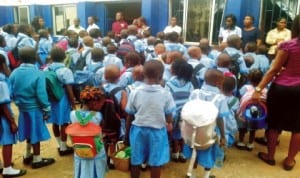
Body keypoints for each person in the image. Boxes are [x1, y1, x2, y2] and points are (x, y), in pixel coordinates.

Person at [252, 14, 300, 171]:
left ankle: (270, 156)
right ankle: (290, 161)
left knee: (274, 124)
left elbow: (273, 70)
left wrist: (258, 89)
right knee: (298, 127)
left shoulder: (288, 46)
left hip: (281, 89)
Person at [125, 60, 175, 178]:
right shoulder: (165, 93)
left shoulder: (134, 92)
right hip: (157, 132)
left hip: (138, 130)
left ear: (143, 75)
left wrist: (127, 136)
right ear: (161, 76)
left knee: (135, 160)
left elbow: (130, 115)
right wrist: (169, 123)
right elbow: (169, 113)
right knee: (156, 162)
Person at [9, 47, 55, 169]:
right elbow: (41, 94)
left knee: (29, 130)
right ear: (35, 58)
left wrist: (19, 102)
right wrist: (46, 109)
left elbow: (11, 91)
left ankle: (27, 154)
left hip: (22, 109)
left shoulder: (14, 73)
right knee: (36, 132)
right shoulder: (38, 73)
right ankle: (37, 159)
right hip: (35, 109)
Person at [185, 69, 227, 178]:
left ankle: (192, 174)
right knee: (209, 152)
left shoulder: (196, 93)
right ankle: (206, 175)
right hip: (209, 131)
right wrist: (223, 136)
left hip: (194, 129)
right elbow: (220, 119)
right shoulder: (220, 98)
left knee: (194, 150)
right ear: (219, 83)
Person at [69, 87, 107, 178]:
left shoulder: (73, 114)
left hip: (80, 150)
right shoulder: (98, 116)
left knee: (82, 170)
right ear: (94, 103)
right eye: (101, 104)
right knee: (96, 172)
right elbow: (102, 130)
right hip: (95, 151)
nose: (102, 106)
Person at [46, 47, 76, 156]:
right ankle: (64, 147)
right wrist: (73, 102)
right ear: (64, 57)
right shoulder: (66, 70)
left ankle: (59, 144)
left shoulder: (47, 69)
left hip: (51, 98)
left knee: (55, 121)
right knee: (64, 122)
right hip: (62, 98)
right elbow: (69, 88)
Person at [0, 54, 27, 177]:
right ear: (2, 65)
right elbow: (3, 105)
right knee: (7, 140)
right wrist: (11, 121)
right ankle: (7, 168)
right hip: (3, 116)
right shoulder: (2, 83)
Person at [165, 59, 193, 163]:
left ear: (173, 71)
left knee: (174, 133)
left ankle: (175, 152)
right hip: (185, 114)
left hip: (174, 113)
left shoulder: (169, 84)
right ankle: (183, 153)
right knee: (184, 133)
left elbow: (167, 99)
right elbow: (192, 98)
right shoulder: (190, 84)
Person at [236, 69, 267, 151]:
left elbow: (240, 97)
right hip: (257, 114)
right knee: (253, 129)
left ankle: (241, 142)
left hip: (244, 112)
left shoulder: (245, 88)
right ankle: (250, 144)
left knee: (243, 128)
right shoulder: (264, 90)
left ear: (249, 79)